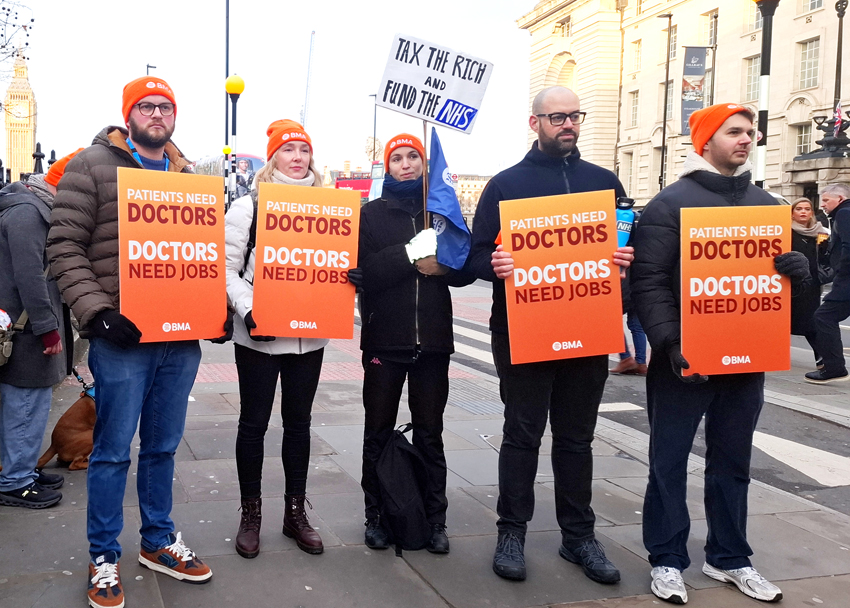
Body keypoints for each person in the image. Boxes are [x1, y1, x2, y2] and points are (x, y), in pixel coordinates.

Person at [47, 77, 230, 608]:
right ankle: (103, 556)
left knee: (163, 447)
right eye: (146, 106)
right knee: (110, 452)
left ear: (174, 116)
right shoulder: (91, 165)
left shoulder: (187, 176)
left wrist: (214, 309)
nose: (156, 114)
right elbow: (64, 245)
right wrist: (97, 312)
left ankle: (157, 540)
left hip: (180, 340)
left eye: (165, 107)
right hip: (123, 338)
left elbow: (203, 254)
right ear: (129, 115)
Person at [630, 103, 809, 604]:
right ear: (705, 141)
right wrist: (670, 343)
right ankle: (667, 559)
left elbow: (790, 303)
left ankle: (730, 557)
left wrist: (800, 273)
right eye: (734, 132)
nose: (746, 139)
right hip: (684, 359)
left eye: (750, 132)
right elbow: (648, 283)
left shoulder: (766, 204)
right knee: (668, 461)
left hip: (746, 357)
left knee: (733, 461)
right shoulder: (669, 204)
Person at [468, 86, 634, 584]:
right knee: (522, 434)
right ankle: (511, 532)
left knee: (577, 438)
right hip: (522, 330)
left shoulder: (603, 183)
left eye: (574, 116)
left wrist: (626, 259)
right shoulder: (506, 185)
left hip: (587, 328)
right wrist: (494, 263)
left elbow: (631, 247)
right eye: (557, 117)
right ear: (535, 122)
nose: (568, 124)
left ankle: (578, 536)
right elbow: (475, 255)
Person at [352, 133, 473, 554]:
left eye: (413, 157)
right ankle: (376, 516)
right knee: (377, 432)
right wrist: (408, 254)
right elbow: (366, 273)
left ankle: (434, 519)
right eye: (397, 158)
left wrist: (445, 268)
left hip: (433, 343)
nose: (406, 165)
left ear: (424, 163)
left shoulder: (440, 210)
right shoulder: (371, 214)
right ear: (387, 167)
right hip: (385, 341)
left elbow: (467, 266)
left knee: (430, 434)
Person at [224, 120, 327, 559]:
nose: (297, 157)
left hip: (309, 338)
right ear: (273, 158)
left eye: (304, 149)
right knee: (254, 424)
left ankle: (294, 513)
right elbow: (225, 269)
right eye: (288, 149)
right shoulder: (248, 206)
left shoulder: (329, 206)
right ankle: (251, 513)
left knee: (299, 425)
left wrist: (350, 277)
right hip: (260, 336)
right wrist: (250, 310)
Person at [0, 155, 78, 509]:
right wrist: (48, 329)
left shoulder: (31, 208)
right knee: (25, 405)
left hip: (25, 326)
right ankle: (15, 481)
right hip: (27, 330)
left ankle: (22, 470)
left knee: (28, 404)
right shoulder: (28, 214)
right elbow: (29, 276)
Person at [806, 184, 850, 383]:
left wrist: (841, 274)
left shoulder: (844, 214)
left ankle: (834, 368)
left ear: (840, 199)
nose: (822, 205)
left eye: (826, 200)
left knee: (823, 317)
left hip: (847, 281)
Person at [789, 197, 830, 367]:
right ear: (792, 213)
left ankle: (822, 359)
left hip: (812, 284)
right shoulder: (786, 231)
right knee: (783, 321)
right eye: (799, 209)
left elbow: (824, 256)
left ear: (812, 213)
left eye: (807, 209)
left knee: (810, 322)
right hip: (790, 283)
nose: (803, 212)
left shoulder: (820, 232)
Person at [611, 270, 648, 375]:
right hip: (640, 287)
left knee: (611, 322)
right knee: (637, 326)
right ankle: (641, 363)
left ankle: (625, 358)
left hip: (625, 288)